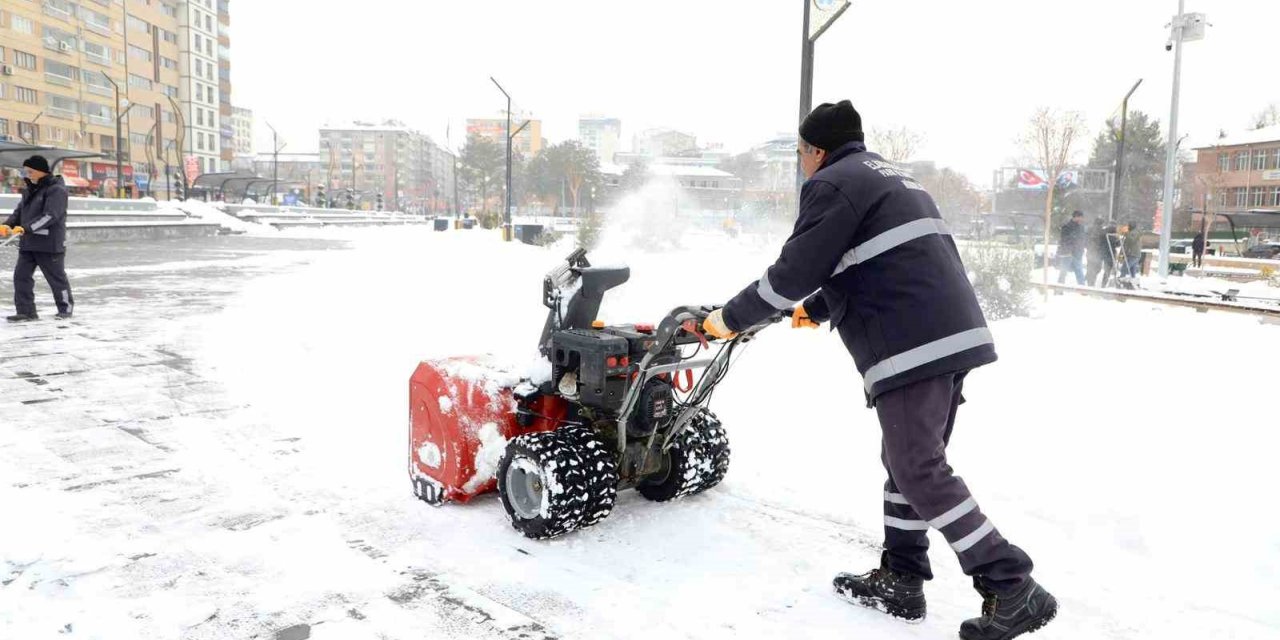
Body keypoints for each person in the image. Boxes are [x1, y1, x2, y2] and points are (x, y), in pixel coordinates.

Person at [702, 101, 1056, 640]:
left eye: (800, 153)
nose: (802, 164)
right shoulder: (890, 178)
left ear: (815, 150)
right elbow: (872, 258)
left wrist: (726, 320)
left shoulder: (831, 184)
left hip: (912, 342)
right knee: (905, 459)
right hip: (948, 332)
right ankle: (902, 576)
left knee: (917, 466)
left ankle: (1011, 583)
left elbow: (793, 271)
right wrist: (816, 309)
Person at [2, 155, 74, 322]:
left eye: (30, 171)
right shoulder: (29, 190)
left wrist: (26, 228)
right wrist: (7, 225)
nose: (27, 175)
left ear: (41, 171)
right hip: (28, 243)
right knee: (21, 277)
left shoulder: (56, 190)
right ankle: (26, 312)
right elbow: (19, 213)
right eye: (26, 171)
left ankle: (65, 309)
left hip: (49, 244)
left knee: (56, 279)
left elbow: (50, 216)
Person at [1056, 211, 1086, 285]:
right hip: (1068, 253)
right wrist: (1070, 248)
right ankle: (1059, 289)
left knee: (1079, 272)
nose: (1081, 219)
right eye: (1080, 217)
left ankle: (1083, 291)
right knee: (1064, 272)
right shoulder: (1067, 227)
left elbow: (1082, 239)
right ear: (1075, 217)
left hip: (1077, 253)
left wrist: (1081, 249)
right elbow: (1064, 240)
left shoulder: (1081, 227)